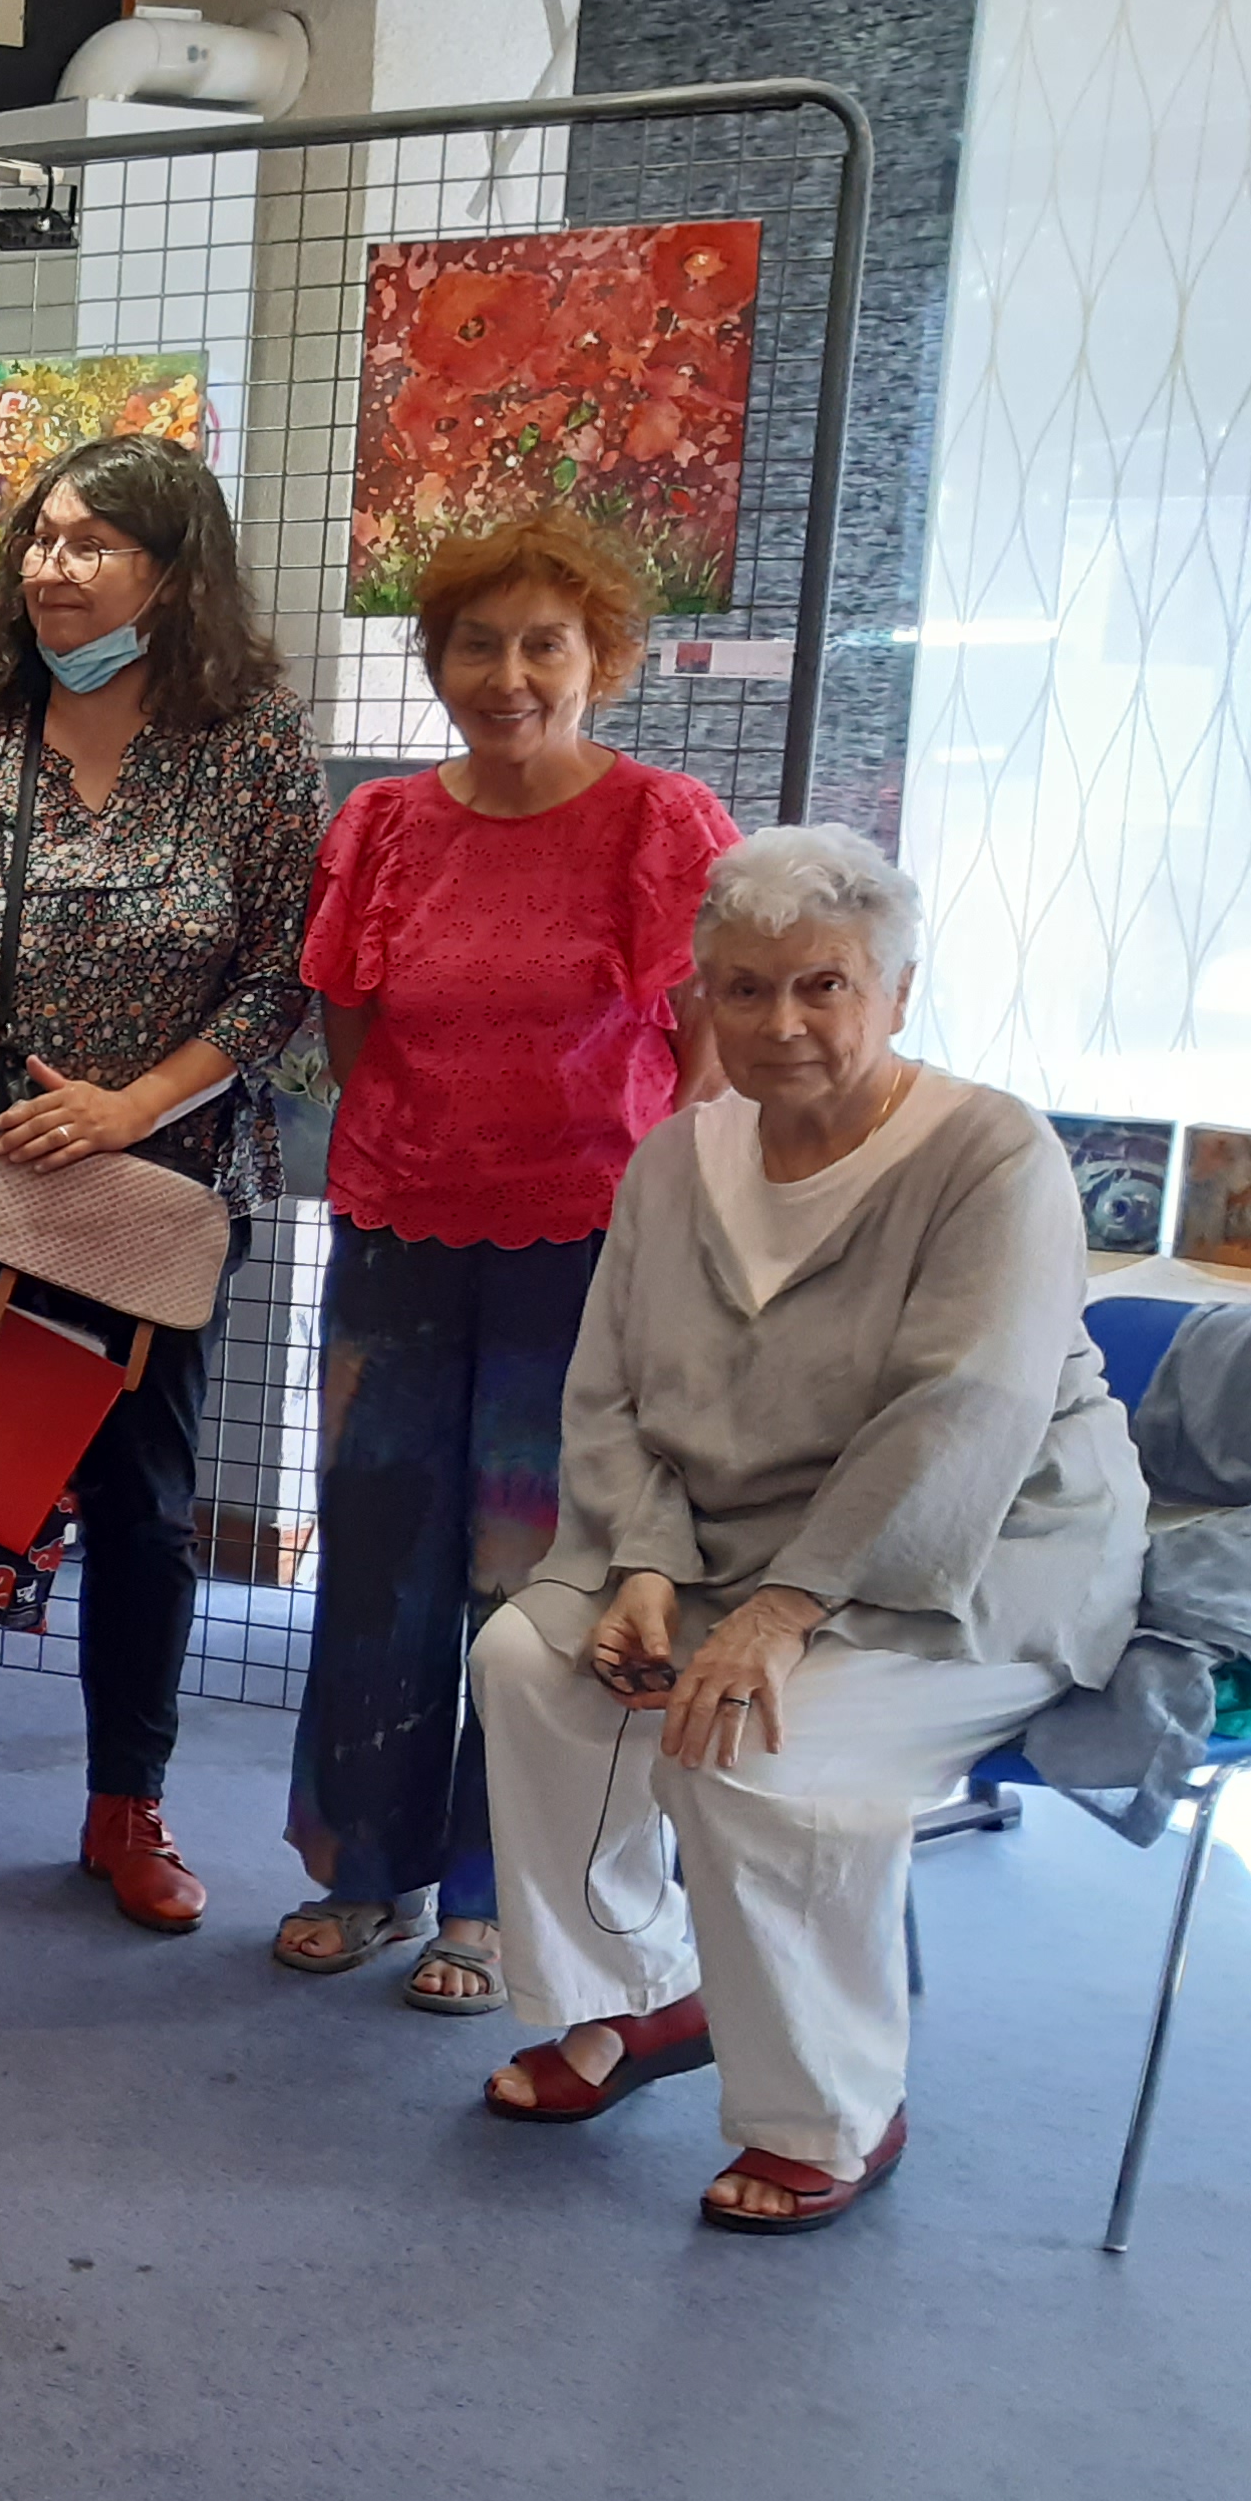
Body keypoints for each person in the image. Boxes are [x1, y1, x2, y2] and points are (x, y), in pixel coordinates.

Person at [468, 824, 1140, 2231]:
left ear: (896, 993)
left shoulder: (992, 1155)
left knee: (753, 1754)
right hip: (722, 1542)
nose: (781, 1023)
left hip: (977, 1557)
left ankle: (831, 2109)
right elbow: (613, 1392)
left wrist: (782, 1612)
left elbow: (962, 1413)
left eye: (824, 985)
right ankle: (639, 1995)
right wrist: (644, 1562)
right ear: (702, 997)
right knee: (528, 1661)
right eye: (745, 987)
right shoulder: (675, 1161)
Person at [0, 431, 324, 1929]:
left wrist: (129, 1109)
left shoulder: (251, 749)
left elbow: (282, 975)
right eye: (41, 539)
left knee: (145, 1509)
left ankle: (129, 1805)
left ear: (174, 576)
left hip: (153, 1197)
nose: (53, 566)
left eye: (93, 542)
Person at [276, 513, 739, 2007]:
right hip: (397, 1231)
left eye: (546, 644)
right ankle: (364, 1869)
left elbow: (708, 1050)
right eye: (477, 645)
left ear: (602, 659)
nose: (510, 675)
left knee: (532, 1577)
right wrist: (422, 1141)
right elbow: (350, 1015)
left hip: (588, 1250)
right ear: (437, 661)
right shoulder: (383, 825)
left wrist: (668, 1202)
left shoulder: (664, 823)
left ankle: (489, 1901)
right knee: (377, 1554)